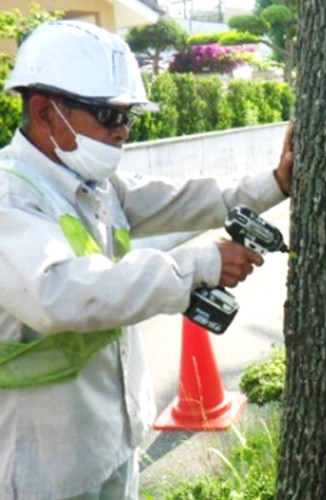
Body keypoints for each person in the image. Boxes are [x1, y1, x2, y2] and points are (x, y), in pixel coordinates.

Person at [0, 20, 293, 499]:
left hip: (112, 441)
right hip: (43, 468)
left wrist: (276, 183)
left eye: (127, 116)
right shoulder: (10, 198)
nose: (122, 131)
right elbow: (62, 293)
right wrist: (198, 265)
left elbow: (187, 199)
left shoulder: (95, 185)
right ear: (44, 112)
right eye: (107, 115)